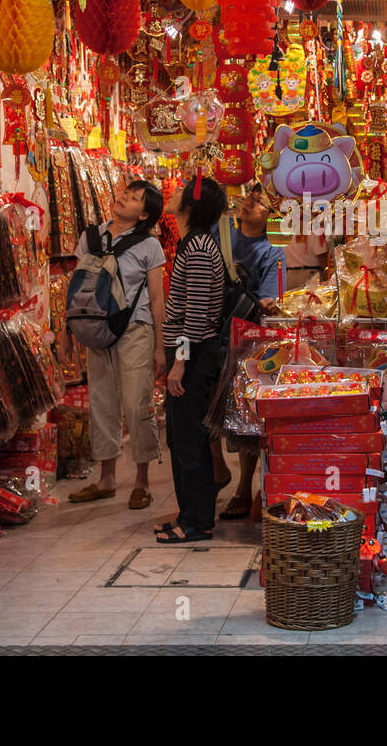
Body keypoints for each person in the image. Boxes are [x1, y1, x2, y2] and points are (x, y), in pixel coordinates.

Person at [68, 180, 166, 509]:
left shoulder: (149, 245)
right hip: (96, 327)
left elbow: (156, 298)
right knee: (102, 402)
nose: (124, 198)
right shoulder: (90, 237)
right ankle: (106, 478)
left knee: (138, 405)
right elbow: (79, 286)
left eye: (135, 198)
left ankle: (142, 481)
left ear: (145, 215)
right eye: (126, 192)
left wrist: (160, 345)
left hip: (135, 329)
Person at [155, 175, 228, 543]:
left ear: (191, 205)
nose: (173, 191)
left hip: (194, 354)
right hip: (186, 350)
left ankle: (199, 520)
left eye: (181, 188)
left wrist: (180, 362)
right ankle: (189, 513)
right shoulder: (193, 243)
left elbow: (195, 315)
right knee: (179, 436)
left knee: (190, 439)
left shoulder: (198, 248)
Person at [211, 183, 282, 520]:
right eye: (251, 196)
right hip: (210, 330)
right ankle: (216, 469)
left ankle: (242, 487)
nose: (251, 202)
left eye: (261, 201)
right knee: (206, 406)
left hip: (245, 336)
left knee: (243, 415)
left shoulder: (273, 250)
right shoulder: (220, 230)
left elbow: (269, 303)